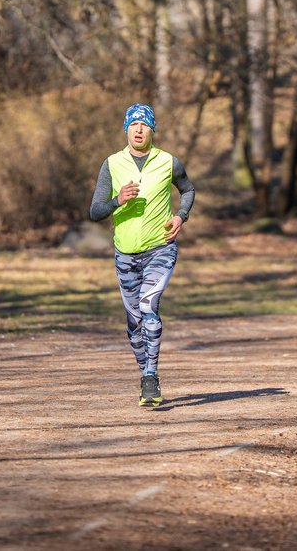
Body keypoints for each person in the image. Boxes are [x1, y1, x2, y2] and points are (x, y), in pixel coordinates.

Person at [89, 103, 195, 407]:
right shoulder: (112, 164)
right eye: (133, 124)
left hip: (160, 247)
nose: (138, 129)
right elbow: (95, 211)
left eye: (144, 125)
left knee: (149, 305)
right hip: (126, 252)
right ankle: (143, 371)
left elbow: (188, 190)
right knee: (134, 322)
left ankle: (151, 375)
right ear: (125, 129)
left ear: (152, 129)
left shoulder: (168, 162)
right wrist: (117, 200)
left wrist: (181, 216)